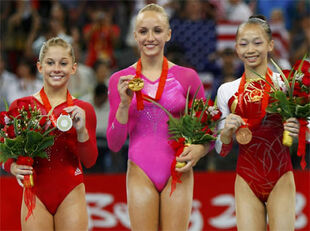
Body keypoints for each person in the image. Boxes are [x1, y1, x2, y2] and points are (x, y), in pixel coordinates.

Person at [107, 4, 210, 231]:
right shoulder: (119, 80)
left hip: (178, 169)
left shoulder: (188, 77)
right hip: (140, 170)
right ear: (135, 35)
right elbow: (114, 144)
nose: (150, 37)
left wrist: (200, 150)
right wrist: (124, 105)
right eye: (143, 31)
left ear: (168, 33)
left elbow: (208, 132)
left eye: (157, 30)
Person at [2, 37, 98, 230]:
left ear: (73, 68)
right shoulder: (22, 106)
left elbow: (89, 161)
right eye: (50, 63)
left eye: (63, 63)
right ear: (39, 67)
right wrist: (11, 167)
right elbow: (3, 150)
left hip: (71, 192)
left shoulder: (83, 109)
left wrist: (82, 131)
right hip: (35, 192)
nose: (56, 68)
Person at [215, 15, 300, 230]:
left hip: (280, 175)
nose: (250, 49)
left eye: (257, 42)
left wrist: (301, 130)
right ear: (236, 48)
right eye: (243, 44)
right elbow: (220, 149)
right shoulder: (227, 91)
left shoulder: (286, 85)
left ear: (270, 44)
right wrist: (225, 134)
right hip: (246, 179)